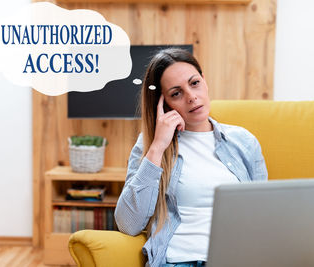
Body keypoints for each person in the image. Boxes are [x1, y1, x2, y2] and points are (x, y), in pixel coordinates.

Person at [114, 48, 268, 267]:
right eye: (176, 93)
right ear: (164, 104)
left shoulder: (243, 141)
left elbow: (263, 214)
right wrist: (158, 146)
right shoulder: (150, 147)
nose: (191, 97)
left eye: (194, 83)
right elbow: (128, 224)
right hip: (178, 261)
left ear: (204, 81)